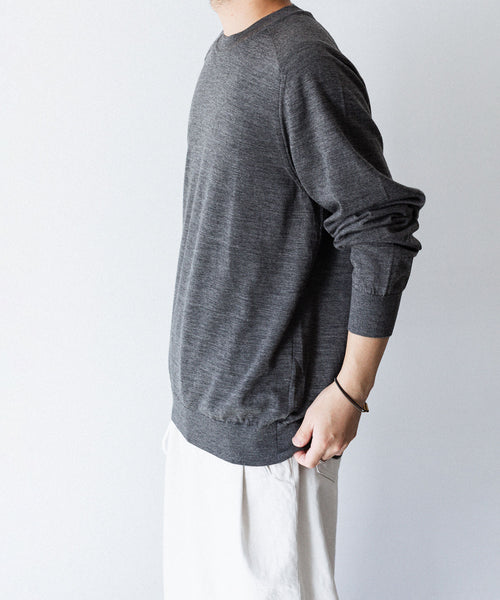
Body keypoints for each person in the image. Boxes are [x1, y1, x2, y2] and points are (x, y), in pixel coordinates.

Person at [161, 1, 426, 598]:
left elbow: (381, 230)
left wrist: (351, 391)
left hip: (268, 444)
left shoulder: (301, 62)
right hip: (198, 429)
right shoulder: (228, 52)